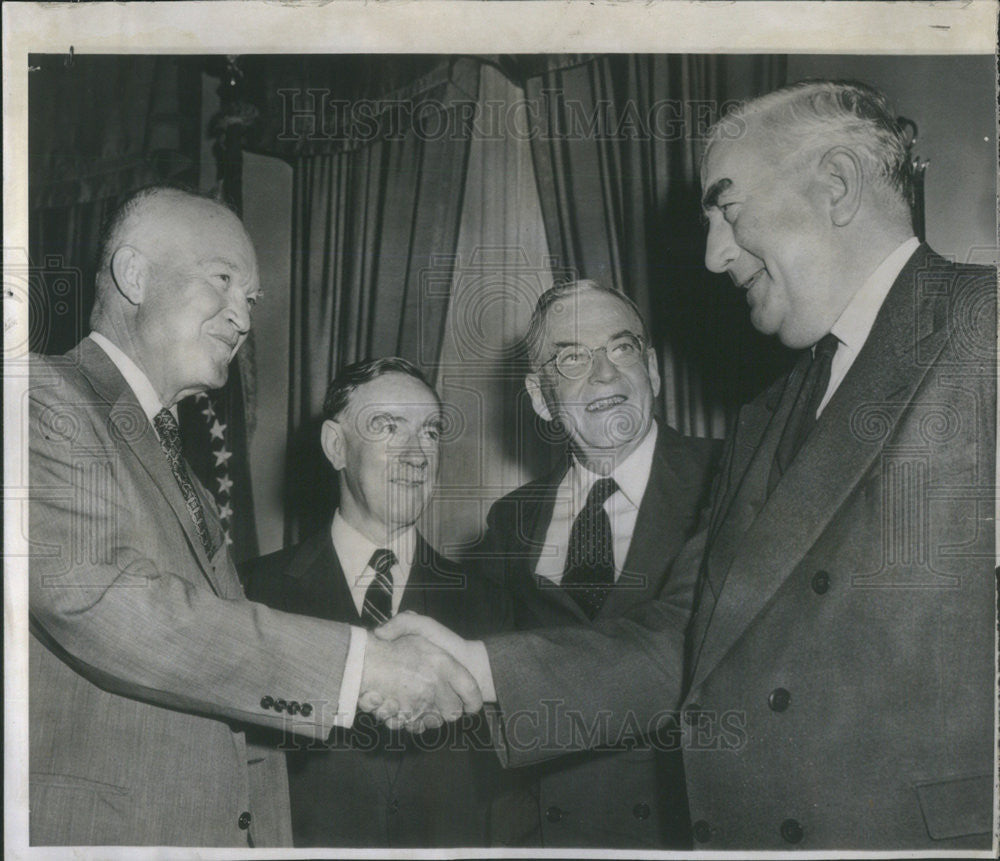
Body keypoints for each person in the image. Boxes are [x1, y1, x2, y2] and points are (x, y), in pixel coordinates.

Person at [379, 80, 996, 850]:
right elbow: (691, 637)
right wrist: (478, 666)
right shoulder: (770, 412)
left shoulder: (985, 330)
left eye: (728, 209)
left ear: (836, 185)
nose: (712, 256)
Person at [27, 186, 481, 846]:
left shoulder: (182, 474)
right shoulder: (43, 398)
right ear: (134, 273)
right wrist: (363, 667)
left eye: (252, 301)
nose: (242, 319)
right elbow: (101, 599)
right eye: (223, 281)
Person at [479, 281, 718, 848]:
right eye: (572, 358)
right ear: (540, 397)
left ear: (653, 370)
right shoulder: (511, 520)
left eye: (622, 348)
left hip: (688, 835)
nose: (606, 375)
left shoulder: (730, 479)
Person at [241, 358, 505, 847]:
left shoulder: (494, 603)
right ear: (336, 446)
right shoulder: (250, 592)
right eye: (388, 427)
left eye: (429, 432)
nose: (416, 454)